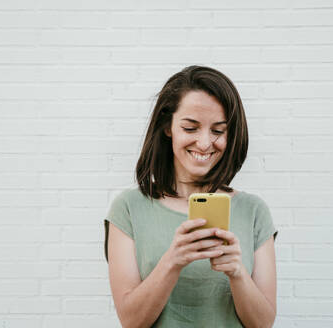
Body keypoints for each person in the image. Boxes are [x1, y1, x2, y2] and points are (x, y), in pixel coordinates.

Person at [104, 65, 278, 327]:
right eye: (191, 128)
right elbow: (131, 321)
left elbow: (263, 324)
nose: (205, 143)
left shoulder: (253, 211)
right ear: (168, 127)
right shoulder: (128, 208)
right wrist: (172, 262)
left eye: (218, 131)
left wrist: (237, 272)